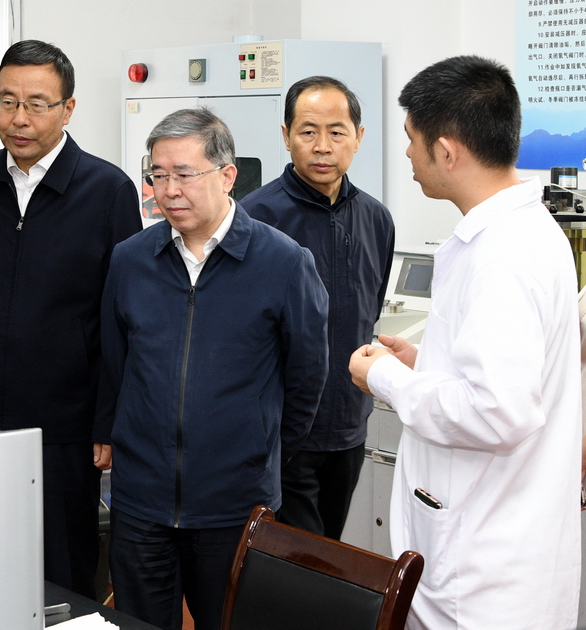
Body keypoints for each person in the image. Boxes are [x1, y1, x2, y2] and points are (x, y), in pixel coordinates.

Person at [348, 55, 581, 629]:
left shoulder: (502, 254)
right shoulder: (523, 232)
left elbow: (498, 411)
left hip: (480, 575)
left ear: (447, 151)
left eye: (412, 139)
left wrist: (387, 378)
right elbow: (508, 373)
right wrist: (426, 362)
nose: (407, 154)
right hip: (498, 548)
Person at [102, 107, 328, 630]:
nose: (168, 191)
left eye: (184, 174)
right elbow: (115, 365)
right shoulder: (130, 260)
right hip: (141, 502)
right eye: (158, 175)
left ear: (227, 176)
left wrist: (257, 449)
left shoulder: (283, 263)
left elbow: (307, 378)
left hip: (234, 503)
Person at [0, 40, 141, 598]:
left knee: (62, 572)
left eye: (36, 104)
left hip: (65, 427)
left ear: (68, 109)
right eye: (6, 101)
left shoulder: (108, 191)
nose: (19, 119)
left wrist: (107, 421)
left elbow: (123, 318)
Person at [240, 76, 394, 540]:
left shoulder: (376, 219)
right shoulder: (254, 218)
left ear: (358, 138)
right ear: (286, 136)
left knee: (330, 549)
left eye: (336, 131)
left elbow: (367, 312)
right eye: (308, 131)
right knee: (296, 559)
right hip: (280, 433)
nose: (322, 146)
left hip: (348, 425)